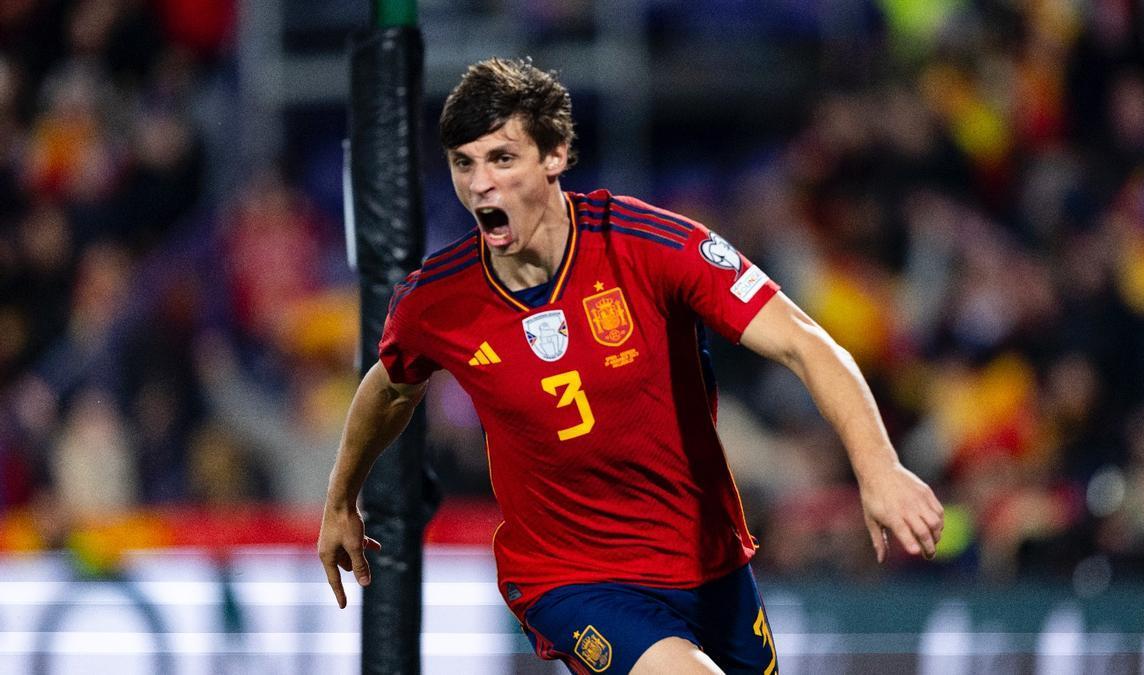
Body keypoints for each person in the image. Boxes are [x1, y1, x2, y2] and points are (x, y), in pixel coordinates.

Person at [318, 57, 944, 675]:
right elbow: (391, 388)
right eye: (464, 163)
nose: (480, 183)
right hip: (570, 581)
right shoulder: (437, 303)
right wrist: (341, 498)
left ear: (555, 155)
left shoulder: (650, 248)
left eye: (502, 159)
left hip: (708, 562)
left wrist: (878, 467)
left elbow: (805, 343)